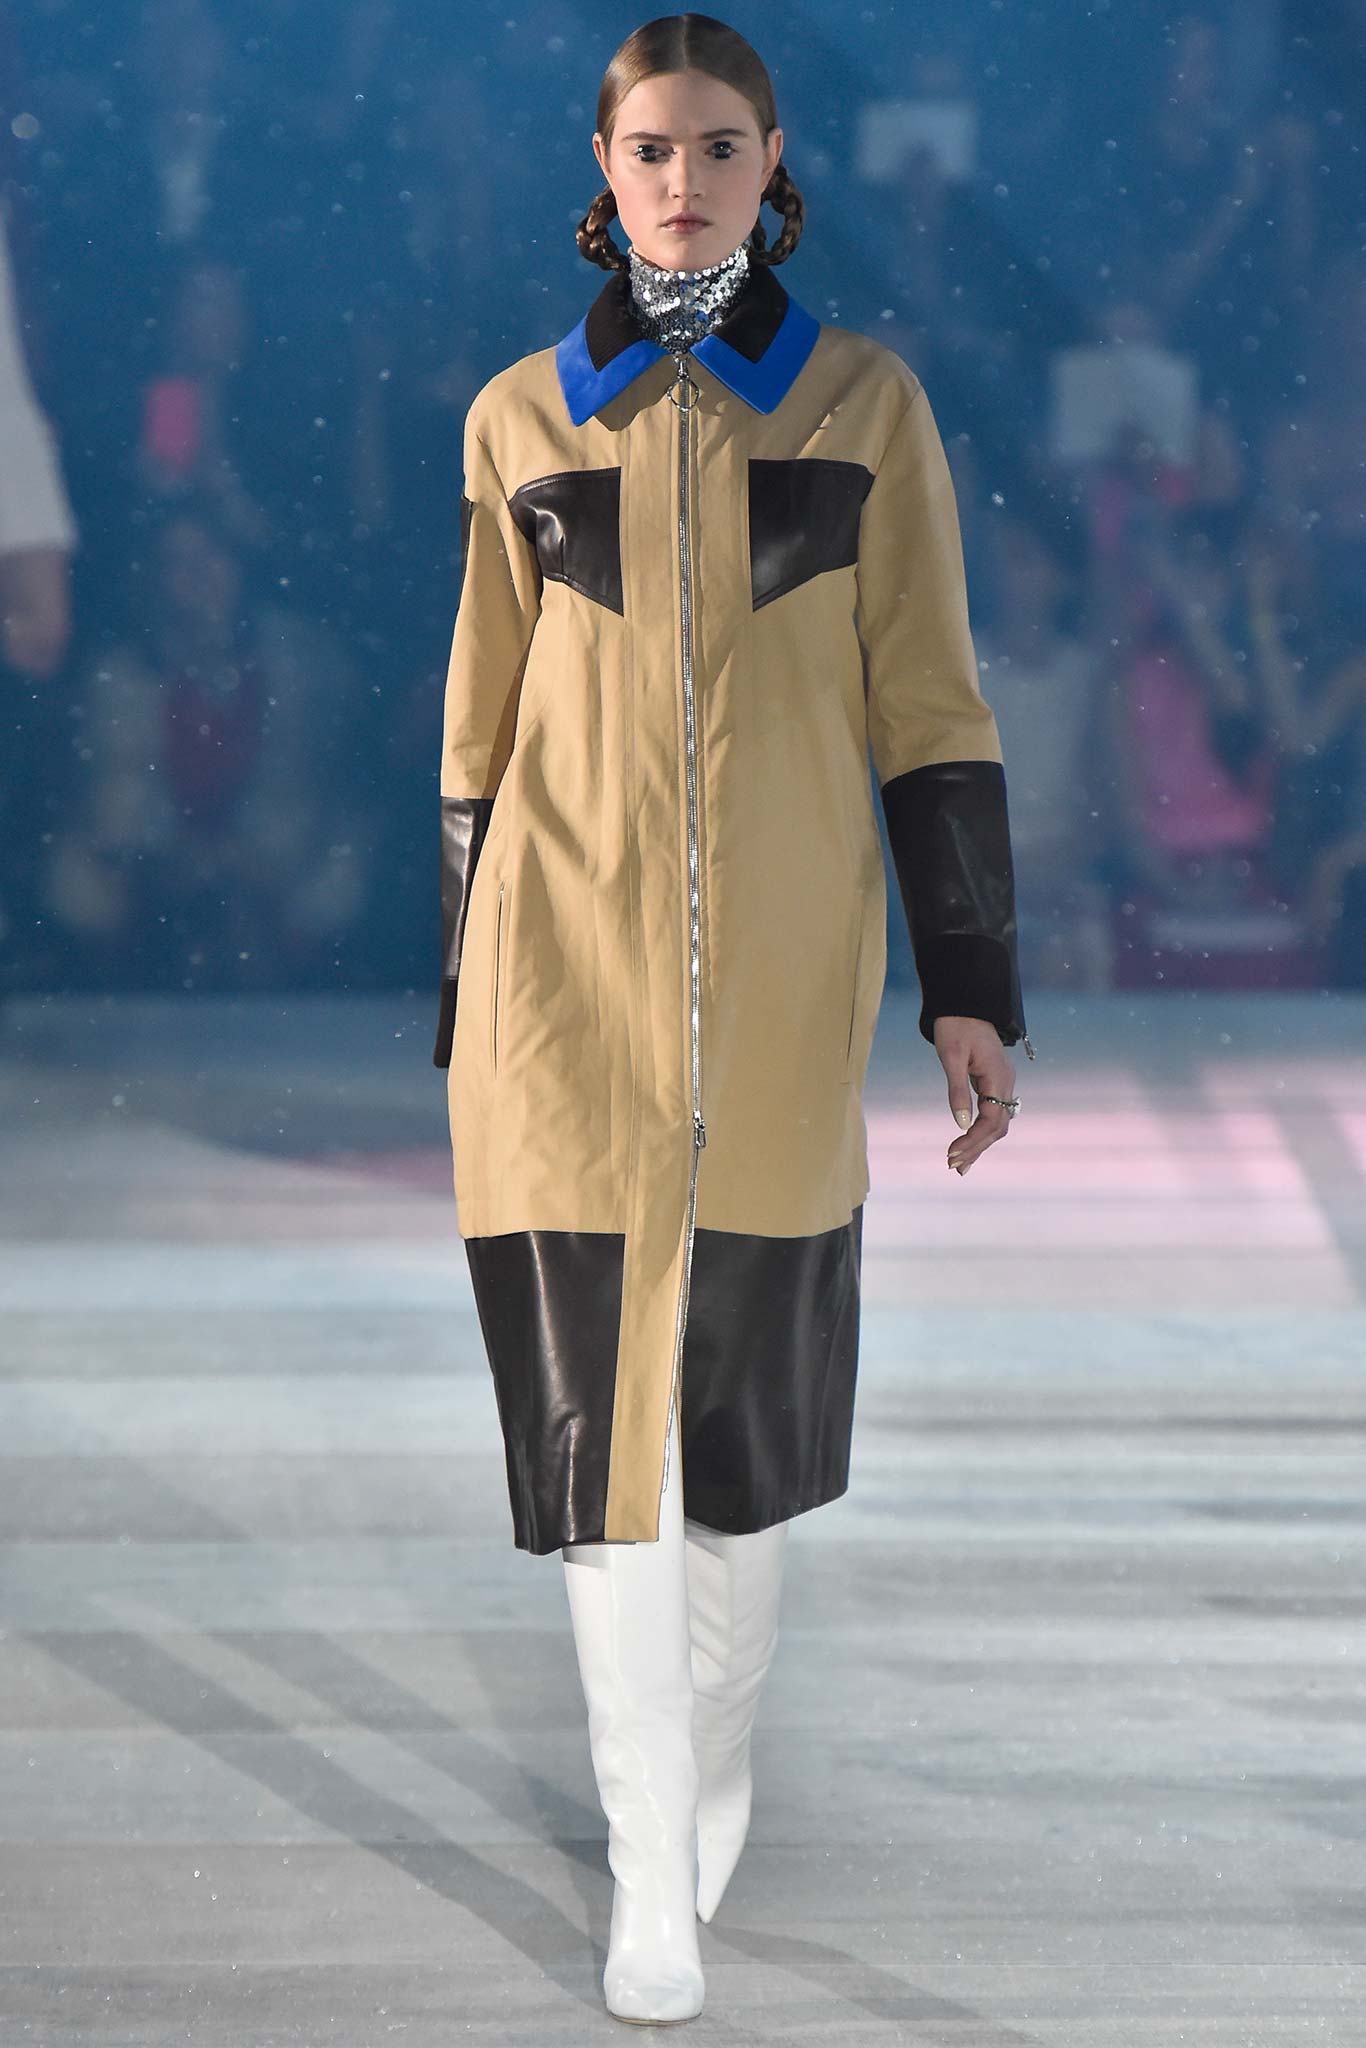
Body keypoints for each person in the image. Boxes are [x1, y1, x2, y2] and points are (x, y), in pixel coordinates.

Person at [431, 17, 1032, 2025]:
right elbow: (478, 731)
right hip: (554, 995)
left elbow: (928, 707)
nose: (677, 180)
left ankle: (708, 1768)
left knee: (738, 1454)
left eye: (713, 147)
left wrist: (967, 985)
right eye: (645, 147)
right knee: (601, 1451)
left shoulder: (862, 407)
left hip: (775, 1005)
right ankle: (644, 1874)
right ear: (598, 166)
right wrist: (466, 993)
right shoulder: (523, 418)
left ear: (770, 165)